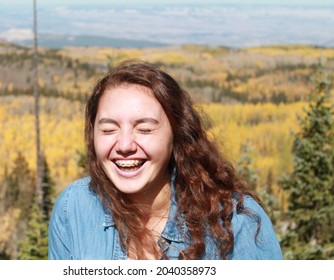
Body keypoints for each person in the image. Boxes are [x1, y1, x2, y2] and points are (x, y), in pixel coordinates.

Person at [48, 60, 283, 260]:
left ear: (177, 134)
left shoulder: (236, 222)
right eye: (109, 130)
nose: (125, 145)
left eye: (145, 129)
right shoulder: (74, 209)